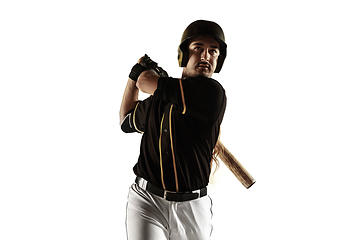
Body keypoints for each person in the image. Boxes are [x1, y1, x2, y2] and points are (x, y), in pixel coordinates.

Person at [119, 20, 227, 240]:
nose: (206, 56)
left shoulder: (212, 93)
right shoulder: (159, 100)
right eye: (198, 48)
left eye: (213, 51)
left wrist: (145, 75)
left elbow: (147, 81)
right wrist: (132, 78)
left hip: (192, 206)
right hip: (146, 200)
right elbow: (126, 121)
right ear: (184, 55)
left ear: (219, 59)